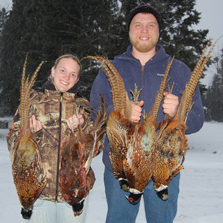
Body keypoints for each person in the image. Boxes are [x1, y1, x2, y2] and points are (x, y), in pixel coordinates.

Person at [90, 3, 205, 223]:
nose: (144, 30)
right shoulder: (110, 70)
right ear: (129, 31)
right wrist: (119, 115)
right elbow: (94, 114)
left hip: (164, 169)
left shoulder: (179, 70)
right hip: (120, 169)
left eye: (150, 25)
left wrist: (180, 112)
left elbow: (198, 118)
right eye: (138, 25)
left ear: (158, 32)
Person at [7, 54, 103, 223]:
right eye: (63, 70)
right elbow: (12, 143)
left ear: (77, 79)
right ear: (53, 71)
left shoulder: (83, 108)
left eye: (72, 74)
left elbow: (97, 149)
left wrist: (83, 130)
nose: (67, 77)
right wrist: (28, 135)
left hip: (74, 195)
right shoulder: (32, 103)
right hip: (38, 195)